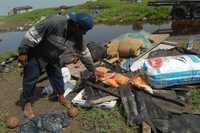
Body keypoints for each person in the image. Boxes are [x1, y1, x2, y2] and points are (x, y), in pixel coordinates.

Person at [18, 12, 95, 118]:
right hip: (36, 53)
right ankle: (27, 103)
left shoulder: (78, 36)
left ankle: (61, 96)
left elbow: (84, 54)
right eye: (84, 30)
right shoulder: (54, 22)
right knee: (30, 78)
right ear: (77, 25)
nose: (85, 33)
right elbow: (32, 34)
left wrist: (92, 70)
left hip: (54, 56)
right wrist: (23, 52)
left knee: (57, 76)